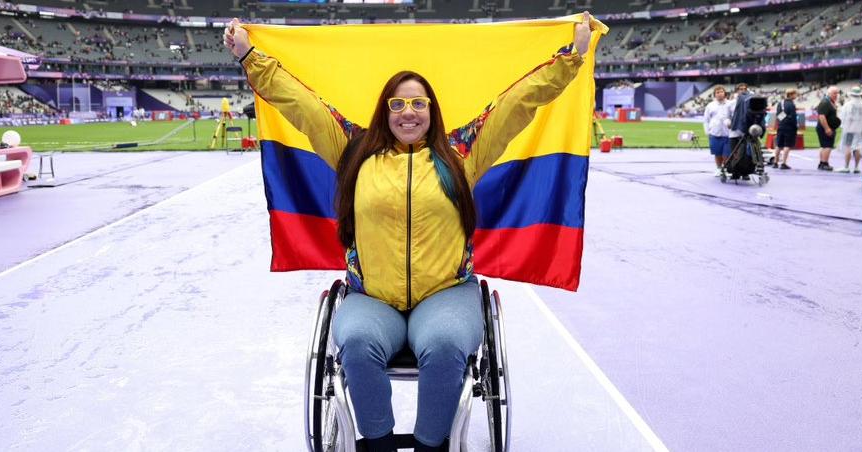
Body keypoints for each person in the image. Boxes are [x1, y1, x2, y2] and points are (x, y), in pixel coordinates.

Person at [224, 15, 593, 452]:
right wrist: (250, 55)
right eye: (397, 105)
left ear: (432, 110)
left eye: (418, 104)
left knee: (445, 343)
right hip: (372, 297)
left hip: (445, 294)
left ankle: (429, 446)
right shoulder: (353, 150)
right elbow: (300, 104)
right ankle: (376, 444)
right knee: (357, 344)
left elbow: (517, 105)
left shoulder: (462, 154)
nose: (408, 113)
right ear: (385, 110)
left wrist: (572, 57)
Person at [836, 86, 862, 173]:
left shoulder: (848, 104)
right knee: (858, 147)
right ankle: (856, 167)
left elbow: (842, 117)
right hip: (860, 129)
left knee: (848, 147)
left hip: (850, 129)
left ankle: (846, 166)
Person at [703, 85, 731, 173]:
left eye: (721, 92)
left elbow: (734, 116)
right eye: (717, 92)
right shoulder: (710, 106)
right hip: (715, 133)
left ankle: (726, 168)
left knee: (727, 154)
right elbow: (706, 120)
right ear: (715, 95)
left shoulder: (730, 104)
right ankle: (719, 169)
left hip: (728, 133)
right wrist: (707, 132)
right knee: (717, 153)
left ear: (725, 93)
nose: (719, 94)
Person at [815, 86, 841, 171]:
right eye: (834, 93)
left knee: (824, 146)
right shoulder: (825, 102)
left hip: (827, 127)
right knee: (827, 146)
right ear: (829, 93)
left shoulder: (829, 102)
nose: (836, 95)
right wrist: (827, 128)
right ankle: (824, 163)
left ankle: (822, 163)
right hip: (826, 127)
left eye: (837, 93)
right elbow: (822, 116)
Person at [774, 88, 798, 170]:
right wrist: (794, 126)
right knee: (787, 145)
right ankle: (784, 163)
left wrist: (784, 119)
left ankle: (775, 162)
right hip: (789, 127)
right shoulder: (791, 104)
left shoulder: (781, 103)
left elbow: (778, 115)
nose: (796, 96)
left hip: (781, 126)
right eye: (795, 94)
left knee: (779, 145)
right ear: (791, 95)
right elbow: (793, 118)